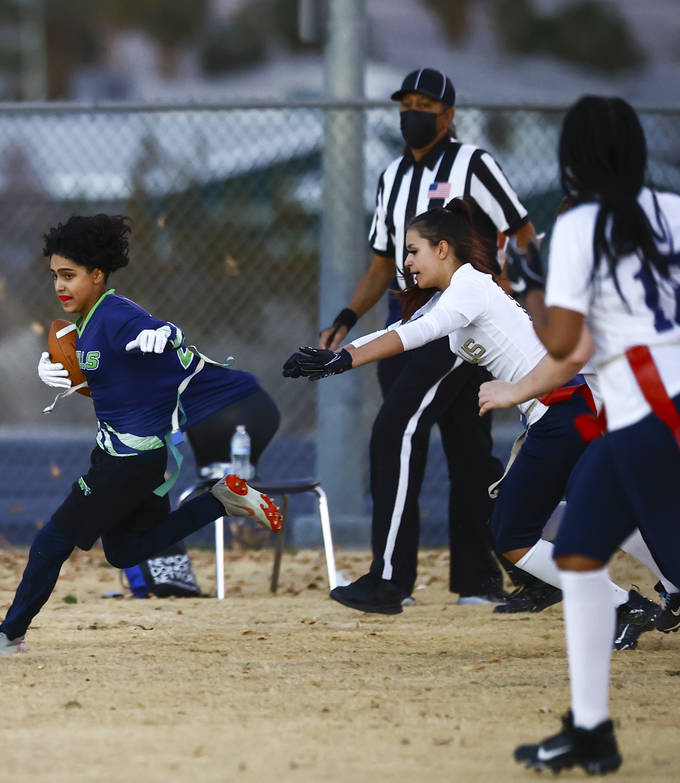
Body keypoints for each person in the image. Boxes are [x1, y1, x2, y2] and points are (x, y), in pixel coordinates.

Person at [283, 197, 671, 649]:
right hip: (569, 410)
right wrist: (338, 356)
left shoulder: (468, 289)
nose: (405, 262)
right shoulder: (460, 293)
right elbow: (406, 327)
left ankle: (624, 606)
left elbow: (414, 333)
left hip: (561, 412)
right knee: (607, 509)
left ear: (443, 248)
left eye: (412, 251)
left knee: (512, 533)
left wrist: (340, 362)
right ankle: (662, 591)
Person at [0, 214, 282, 655]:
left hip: (123, 463)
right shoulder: (87, 323)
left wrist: (160, 336)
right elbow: (119, 386)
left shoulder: (116, 314)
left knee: (52, 541)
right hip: (140, 459)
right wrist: (71, 379)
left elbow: (159, 330)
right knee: (125, 551)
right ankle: (222, 500)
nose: (59, 286)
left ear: (97, 275)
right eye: (54, 276)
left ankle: (9, 635)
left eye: (69, 275)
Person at [316, 67, 548, 614]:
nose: (413, 113)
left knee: (414, 437)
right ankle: (493, 573)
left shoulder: (475, 165)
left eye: (425, 104)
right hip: (409, 323)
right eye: (406, 103)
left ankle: (413, 579)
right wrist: (348, 316)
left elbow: (522, 232)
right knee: (445, 453)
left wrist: (516, 301)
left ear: (448, 114)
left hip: (461, 328)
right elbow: (382, 262)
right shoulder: (391, 175)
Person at [512, 96, 680, 775]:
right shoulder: (671, 206)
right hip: (652, 404)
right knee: (579, 550)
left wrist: (529, 283)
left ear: (573, 157)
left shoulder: (580, 222)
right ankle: (590, 730)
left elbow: (563, 340)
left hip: (649, 411)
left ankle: (590, 730)